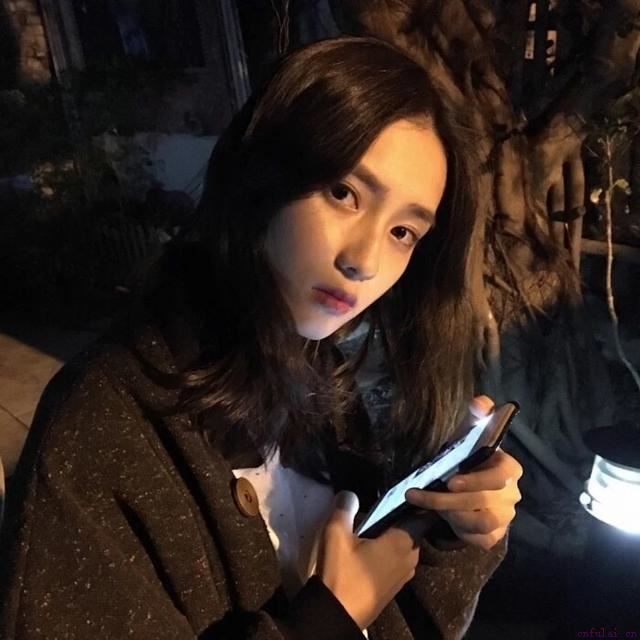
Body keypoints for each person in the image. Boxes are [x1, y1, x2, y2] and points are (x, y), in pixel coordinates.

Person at [0, 36, 523, 639]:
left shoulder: (323, 387)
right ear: (262, 174)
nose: (365, 261)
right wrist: (327, 620)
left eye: (403, 232)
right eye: (344, 193)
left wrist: (451, 530)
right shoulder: (103, 423)